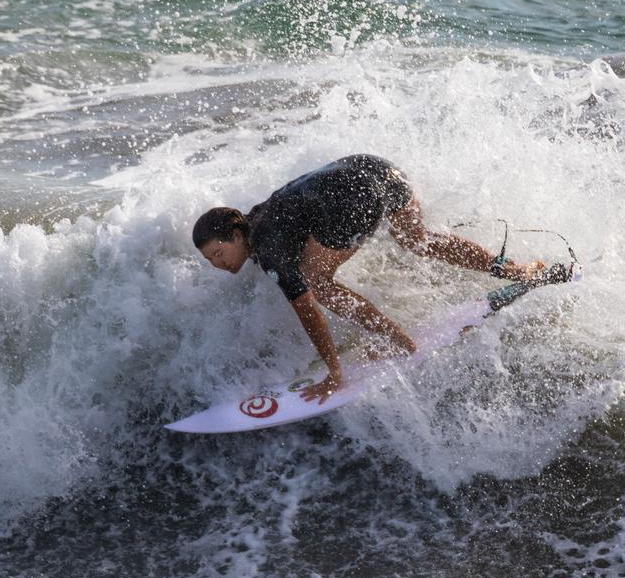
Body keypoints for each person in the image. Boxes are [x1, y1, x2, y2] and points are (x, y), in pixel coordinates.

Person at [193, 154, 565, 404]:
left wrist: (334, 372)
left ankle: (398, 340)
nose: (217, 264)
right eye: (210, 260)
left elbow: (308, 311)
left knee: (317, 283)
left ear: (237, 236)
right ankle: (512, 269)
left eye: (218, 254)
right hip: (377, 169)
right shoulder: (259, 216)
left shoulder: (269, 246)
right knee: (416, 239)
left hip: (358, 197)